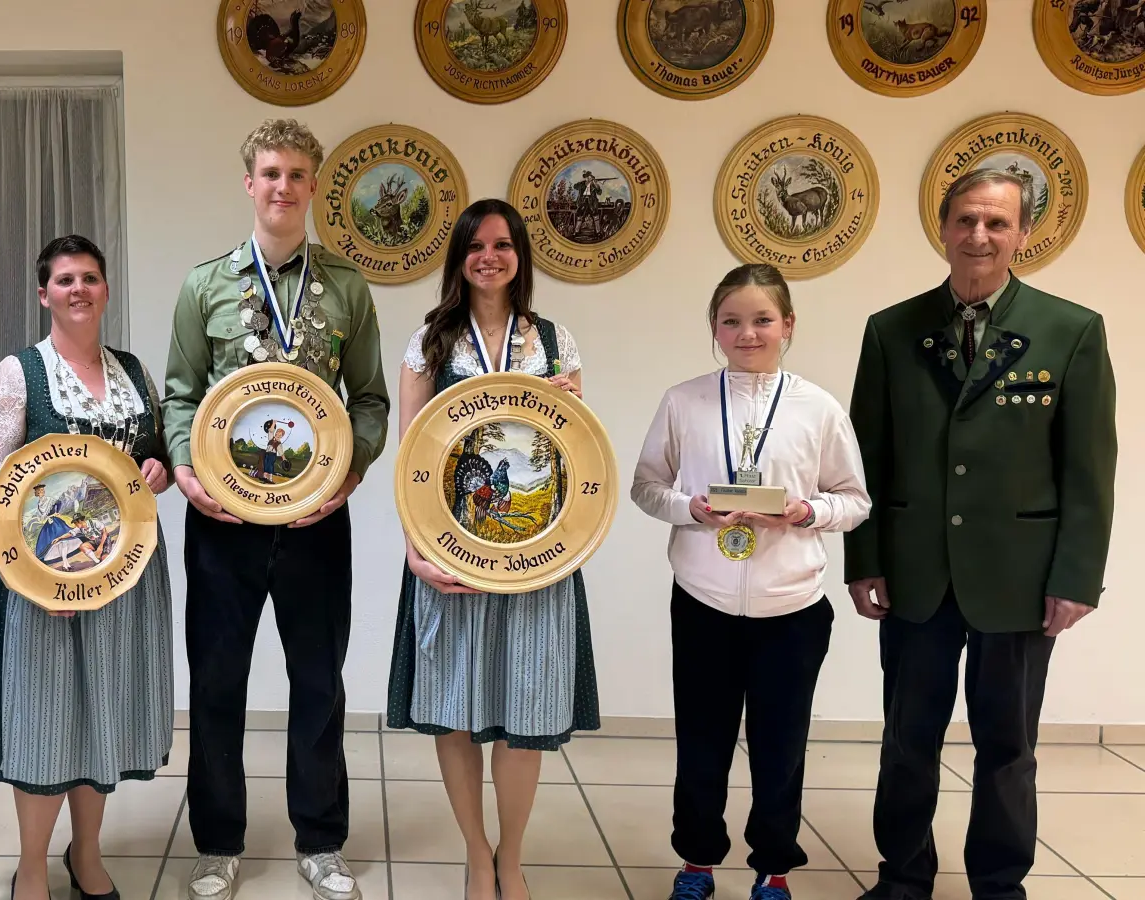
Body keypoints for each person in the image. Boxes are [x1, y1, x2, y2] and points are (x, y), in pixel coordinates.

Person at [844, 168, 1117, 900]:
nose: (979, 235)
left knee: (1008, 747)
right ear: (943, 228)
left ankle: (999, 886)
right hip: (915, 574)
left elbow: (1089, 469)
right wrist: (863, 559)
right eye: (966, 220)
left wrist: (1076, 578)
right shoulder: (891, 330)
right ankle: (903, 879)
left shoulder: (1071, 331)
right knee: (908, 740)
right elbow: (866, 458)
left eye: (997, 222)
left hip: (1020, 578)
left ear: (1023, 234)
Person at [160, 118, 391, 900]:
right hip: (221, 525)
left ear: (313, 185)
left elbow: (369, 399)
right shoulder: (204, 286)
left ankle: (321, 840)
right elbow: (180, 396)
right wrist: (186, 472)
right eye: (270, 173)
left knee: (318, 682)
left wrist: (348, 476)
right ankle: (218, 841)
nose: (282, 187)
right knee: (216, 682)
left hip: (315, 523)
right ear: (249, 183)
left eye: (296, 174)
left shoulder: (348, 287)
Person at [629, 263, 871, 900]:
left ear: (788, 325)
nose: (747, 333)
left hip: (792, 609)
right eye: (731, 321)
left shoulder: (818, 407)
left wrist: (804, 512)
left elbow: (854, 500)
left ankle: (774, 868)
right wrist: (691, 508)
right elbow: (646, 487)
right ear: (714, 328)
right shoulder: (683, 401)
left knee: (780, 747)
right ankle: (698, 862)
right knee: (701, 741)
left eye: (763, 319)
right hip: (703, 603)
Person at [384, 198, 597, 900]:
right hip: (450, 553)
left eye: (503, 245)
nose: (489, 257)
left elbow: (578, 455)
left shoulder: (557, 343)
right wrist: (416, 551)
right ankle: (477, 853)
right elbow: (411, 460)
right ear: (459, 257)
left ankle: (513, 855)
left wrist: (570, 404)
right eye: (476, 246)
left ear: (520, 255)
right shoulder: (429, 343)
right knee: (454, 708)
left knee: (525, 712)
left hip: (538, 559)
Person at [0, 234, 176, 900]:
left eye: (89, 277)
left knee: (100, 714)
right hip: (44, 580)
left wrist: (158, 469)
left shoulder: (134, 373)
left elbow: (155, 459)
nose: (78, 289)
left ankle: (86, 852)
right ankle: (32, 866)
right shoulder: (19, 374)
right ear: (44, 295)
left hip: (123, 573)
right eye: (64, 280)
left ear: (106, 289)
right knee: (43, 722)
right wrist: (38, 579)